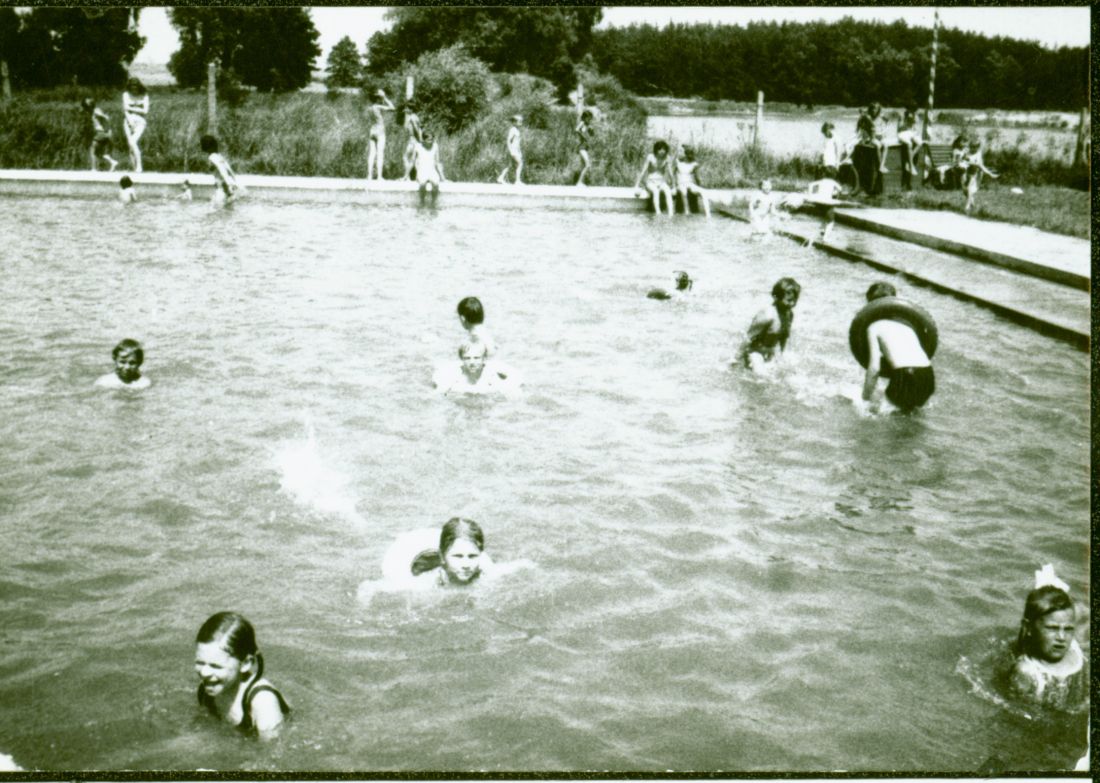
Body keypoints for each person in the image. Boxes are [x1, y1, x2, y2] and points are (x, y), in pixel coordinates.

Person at [194, 612, 289, 741]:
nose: (204, 673)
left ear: (245, 664)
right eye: (200, 663)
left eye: (216, 666)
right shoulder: (208, 688)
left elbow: (272, 750)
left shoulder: (263, 702)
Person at [1006, 565, 1086, 711]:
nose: (1061, 637)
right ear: (1028, 627)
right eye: (1052, 628)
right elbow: (1020, 715)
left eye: (1068, 629)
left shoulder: (1075, 649)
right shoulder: (1027, 672)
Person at [860, 282, 935, 411]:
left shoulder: (874, 327)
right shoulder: (908, 325)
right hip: (928, 376)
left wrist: (864, 399)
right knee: (909, 415)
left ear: (871, 306)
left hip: (906, 376)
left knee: (879, 415)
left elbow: (874, 369)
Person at [737, 277, 801, 369]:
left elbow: (784, 337)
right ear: (777, 297)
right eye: (789, 300)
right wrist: (736, 359)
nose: (792, 304)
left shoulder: (789, 314)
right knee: (762, 375)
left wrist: (780, 356)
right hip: (755, 352)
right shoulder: (767, 315)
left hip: (770, 351)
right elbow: (748, 338)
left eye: (795, 300)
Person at [410, 518, 493, 588]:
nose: (466, 565)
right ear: (442, 557)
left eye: (472, 556)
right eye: (458, 556)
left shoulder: (488, 580)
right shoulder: (426, 584)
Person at [432, 341, 515, 395]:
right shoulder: (454, 376)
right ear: (461, 359)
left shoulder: (492, 376)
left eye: (476, 358)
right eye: (467, 358)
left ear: (484, 359)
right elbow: (438, 395)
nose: (472, 362)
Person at [632, 140, 674, 216]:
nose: (662, 151)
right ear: (656, 150)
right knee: (656, 191)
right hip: (650, 181)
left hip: (661, 182)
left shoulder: (667, 158)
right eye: (660, 149)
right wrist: (636, 185)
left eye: (664, 149)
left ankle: (671, 213)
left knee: (668, 191)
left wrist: (674, 186)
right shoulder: (650, 157)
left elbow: (671, 173)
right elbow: (643, 171)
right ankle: (658, 213)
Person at [200, 135, 241, 205]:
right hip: (227, 189)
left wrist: (229, 184)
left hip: (221, 189)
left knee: (214, 208)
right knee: (227, 209)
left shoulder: (212, 157)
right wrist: (235, 182)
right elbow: (229, 169)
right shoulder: (219, 156)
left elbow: (222, 169)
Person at [80, 97, 118, 172]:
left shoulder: (95, 110)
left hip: (101, 132)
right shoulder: (94, 110)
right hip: (104, 132)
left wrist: (106, 120)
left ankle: (94, 168)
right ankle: (111, 162)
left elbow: (104, 117)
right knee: (99, 152)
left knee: (92, 149)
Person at [962, 138, 998, 214]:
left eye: (975, 147)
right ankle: (972, 204)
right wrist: (965, 160)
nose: (973, 149)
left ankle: (967, 206)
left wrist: (971, 162)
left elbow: (980, 165)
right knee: (965, 191)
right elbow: (963, 160)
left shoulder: (978, 154)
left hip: (976, 173)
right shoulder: (968, 153)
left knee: (969, 189)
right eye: (972, 147)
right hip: (967, 172)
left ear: (978, 148)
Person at [366, 88, 395, 181]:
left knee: (372, 153)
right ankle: (379, 176)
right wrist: (385, 98)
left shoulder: (369, 108)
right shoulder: (378, 107)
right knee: (380, 154)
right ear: (377, 98)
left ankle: (369, 175)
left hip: (372, 130)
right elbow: (392, 108)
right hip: (380, 130)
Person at [673, 146, 710, 217]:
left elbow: (697, 176)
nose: (690, 156)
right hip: (680, 183)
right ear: (685, 154)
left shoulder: (694, 164)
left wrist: (700, 186)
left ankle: (707, 214)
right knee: (684, 192)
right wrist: (674, 184)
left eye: (691, 154)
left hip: (690, 183)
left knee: (702, 192)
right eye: (688, 154)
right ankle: (687, 211)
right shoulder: (678, 163)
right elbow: (672, 174)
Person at [122, 77, 149, 173]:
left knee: (133, 141)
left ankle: (139, 166)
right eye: (132, 87)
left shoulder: (144, 95)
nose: (134, 89)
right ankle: (133, 169)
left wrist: (131, 108)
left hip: (140, 121)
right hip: (128, 120)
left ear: (139, 86)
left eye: (136, 86)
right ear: (129, 86)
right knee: (130, 145)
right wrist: (130, 121)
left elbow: (145, 111)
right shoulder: (126, 94)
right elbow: (125, 110)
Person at [413, 129, 445, 207]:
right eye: (429, 140)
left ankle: (433, 203)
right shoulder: (418, 146)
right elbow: (413, 161)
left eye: (432, 139)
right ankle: (422, 202)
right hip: (422, 170)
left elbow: (437, 162)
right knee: (422, 184)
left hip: (432, 170)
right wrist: (407, 175)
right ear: (423, 140)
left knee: (436, 184)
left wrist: (443, 177)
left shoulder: (435, 146)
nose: (431, 141)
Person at [856, 102, 889, 174]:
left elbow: (887, 120)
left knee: (886, 145)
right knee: (877, 145)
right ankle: (880, 165)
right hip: (870, 137)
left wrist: (884, 129)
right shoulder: (868, 117)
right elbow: (860, 127)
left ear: (878, 110)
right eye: (873, 109)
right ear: (870, 109)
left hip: (878, 136)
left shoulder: (880, 117)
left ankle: (882, 165)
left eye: (876, 109)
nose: (874, 110)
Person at [497, 115, 524, 185]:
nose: (521, 123)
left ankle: (501, 178)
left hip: (516, 150)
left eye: (521, 121)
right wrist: (510, 150)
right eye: (519, 121)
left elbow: (517, 142)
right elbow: (508, 140)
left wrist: (520, 151)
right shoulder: (513, 130)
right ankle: (517, 181)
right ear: (514, 122)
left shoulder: (517, 130)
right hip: (513, 150)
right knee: (520, 163)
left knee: (510, 165)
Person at [401, 99, 423, 181]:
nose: (405, 109)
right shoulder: (413, 117)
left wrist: (420, 140)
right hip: (413, 139)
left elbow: (417, 129)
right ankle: (416, 177)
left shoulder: (412, 117)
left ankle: (407, 177)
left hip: (413, 140)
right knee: (415, 159)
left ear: (411, 109)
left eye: (407, 108)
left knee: (406, 157)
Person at [896, 106, 919, 178]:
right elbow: (899, 129)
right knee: (909, 144)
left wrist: (913, 121)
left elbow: (915, 129)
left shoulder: (914, 115)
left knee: (919, 143)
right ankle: (911, 165)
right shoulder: (902, 116)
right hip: (902, 134)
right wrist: (905, 120)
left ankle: (909, 160)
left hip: (910, 133)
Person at [574, 109, 594, 186]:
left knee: (584, 165)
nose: (590, 120)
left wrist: (591, 130)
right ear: (585, 118)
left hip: (585, 147)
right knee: (587, 165)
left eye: (590, 118)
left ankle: (580, 182)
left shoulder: (587, 125)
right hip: (582, 147)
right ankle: (579, 182)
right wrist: (583, 136)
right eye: (589, 118)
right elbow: (576, 130)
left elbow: (592, 135)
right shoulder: (582, 123)